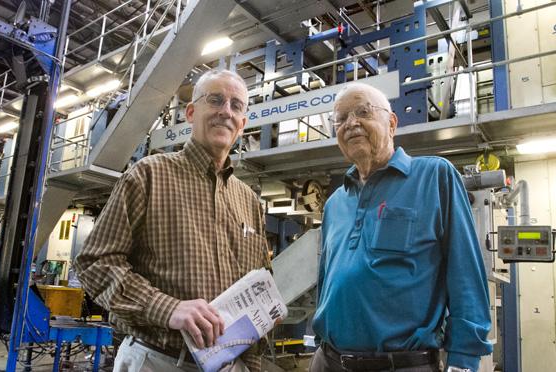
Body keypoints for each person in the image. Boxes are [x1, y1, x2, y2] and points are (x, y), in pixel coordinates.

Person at [74, 69, 270, 372]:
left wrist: (252, 366)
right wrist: (168, 308)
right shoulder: (148, 176)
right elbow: (94, 263)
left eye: (236, 106)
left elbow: (259, 291)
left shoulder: (250, 201)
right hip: (158, 360)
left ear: (243, 124)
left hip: (232, 364)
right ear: (191, 113)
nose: (225, 112)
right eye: (215, 100)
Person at [310, 83, 492, 372]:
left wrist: (463, 362)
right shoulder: (335, 202)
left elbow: (466, 274)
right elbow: (328, 277)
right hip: (328, 361)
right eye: (341, 119)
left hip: (402, 364)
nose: (351, 123)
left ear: (392, 123)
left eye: (363, 112)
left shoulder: (434, 177)